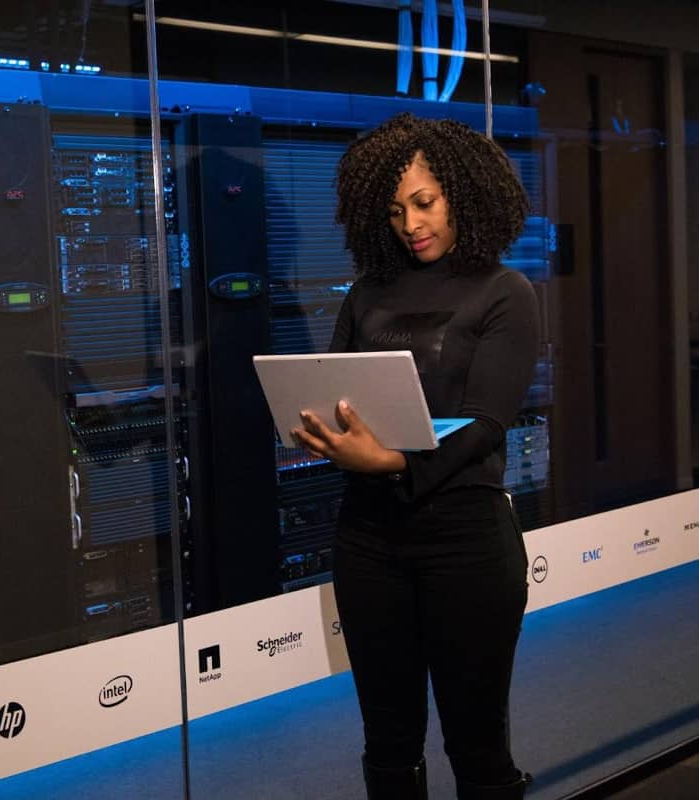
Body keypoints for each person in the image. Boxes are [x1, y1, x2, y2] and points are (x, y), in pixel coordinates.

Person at [290, 113, 539, 800]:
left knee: (476, 744)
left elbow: (488, 421)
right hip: (368, 542)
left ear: (463, 193)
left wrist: (393, 462)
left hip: (467, 542)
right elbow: (335, 388)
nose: (410, 224)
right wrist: (320, 428)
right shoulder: (368, 292)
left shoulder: (505, 292)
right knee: (389, 743)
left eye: (424, 203)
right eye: (395, 210)